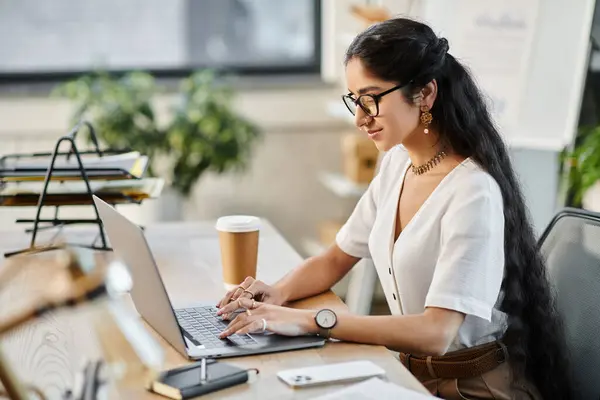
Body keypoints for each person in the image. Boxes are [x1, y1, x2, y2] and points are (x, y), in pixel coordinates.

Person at [216, 17, 572, 399]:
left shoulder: (473, 192)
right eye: (355, 99)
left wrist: (310, 321)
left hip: (472, 388)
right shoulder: (398, 164)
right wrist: (275, 295)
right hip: (410, 375)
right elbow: (337, 258)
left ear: (425, 94)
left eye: (371, 99)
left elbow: (436, 333)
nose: (360, 118)